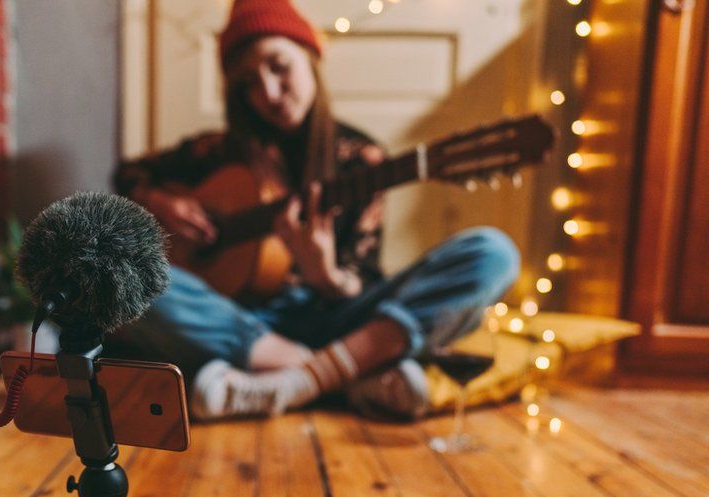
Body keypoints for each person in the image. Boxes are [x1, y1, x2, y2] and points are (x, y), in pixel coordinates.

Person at [112, 0, 519, 421]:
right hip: (235, 319)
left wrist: (326, 276)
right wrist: (160, 201)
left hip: (334, 320)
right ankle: (347, 377)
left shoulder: (362, 160)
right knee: (115, 269)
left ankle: (293, 380)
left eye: (278, 66)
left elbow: (366, 279)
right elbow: (128, 172)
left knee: (493, 254)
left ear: (309, 57)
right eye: (249, 83)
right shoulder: (219, 151)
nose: (268, 93)